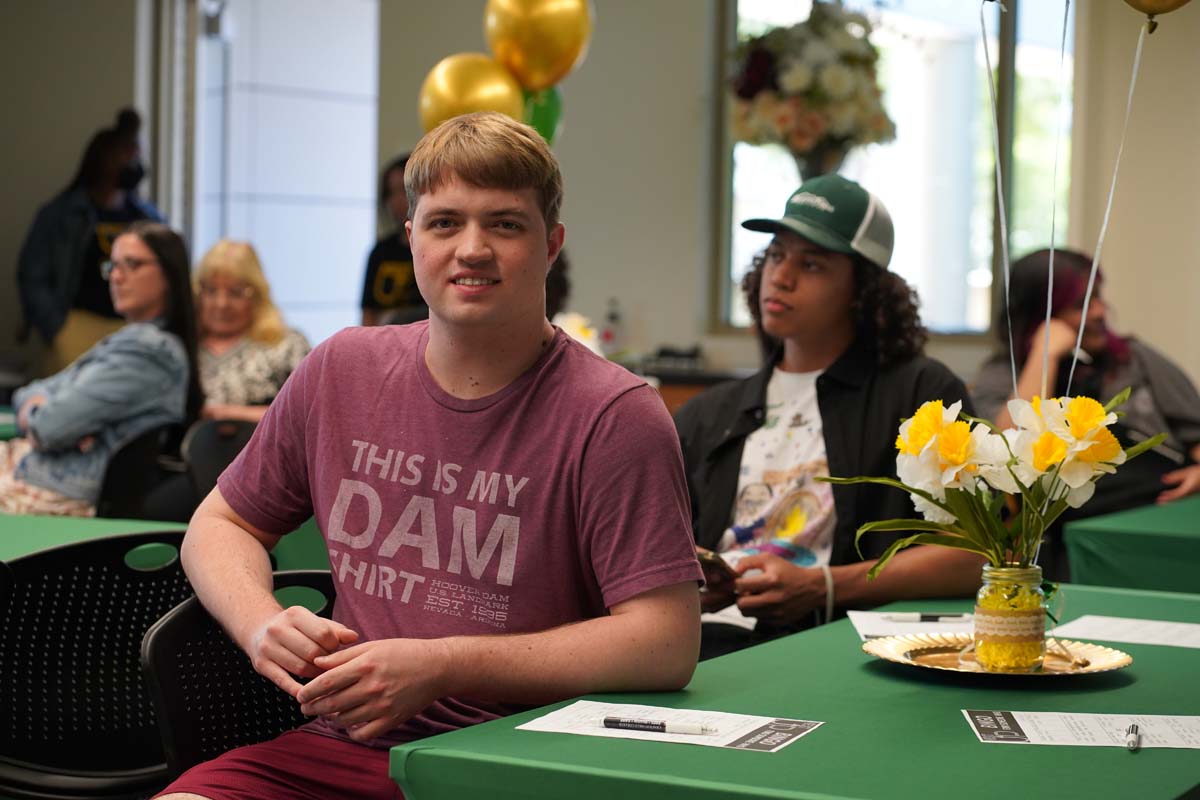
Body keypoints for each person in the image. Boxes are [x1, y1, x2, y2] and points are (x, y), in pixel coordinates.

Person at [157, 111, 702, 799]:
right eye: (445, 223)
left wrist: (444, 666)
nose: (472, 249)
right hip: (337, 750)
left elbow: (666, 641)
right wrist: (259, 623)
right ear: (411, 239)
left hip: (521, 765)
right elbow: (221, 525)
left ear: (551, 244)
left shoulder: (615, 415)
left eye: (505, 224)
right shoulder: (341, 370)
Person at [674, 175, 984, 659]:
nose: (782, 276)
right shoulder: (709, 413)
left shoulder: (921, 396)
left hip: (837, 647)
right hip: (705, 647)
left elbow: (975, 557)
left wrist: (826, 585)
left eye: (812, 264)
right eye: (776, 255)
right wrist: (689, 582)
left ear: (863, 290)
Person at [972, 248, 1200, 575]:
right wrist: (1046, 352)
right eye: (1081, 305)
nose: (1100, 311)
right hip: (1075, 545)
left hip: (1159, 527)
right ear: (1039, 315)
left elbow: (1195, 433)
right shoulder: (1000, 375)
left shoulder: (1134, 359)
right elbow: (1011, 448)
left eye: (1098, 298)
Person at [3, 221, 202, 516]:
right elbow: (30, 392)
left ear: (169, 273)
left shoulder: (148, 350)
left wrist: (46, 413)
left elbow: (49, 428)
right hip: (36, 468)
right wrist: (46, 408)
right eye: (113, 266)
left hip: (55, 487)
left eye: (132, 264)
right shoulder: (130, 340)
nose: (117, 277)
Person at [18, 108, 164, 373]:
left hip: (133, 327)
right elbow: (32, 276)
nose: (132, 162)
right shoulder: (62, 215)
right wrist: (57, 328)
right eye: (124, 154)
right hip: (76, 325)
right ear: (102, 158)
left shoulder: (148, 218)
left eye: (135, 154)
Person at [195, 240, 310, 423]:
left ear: (257, 295)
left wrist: (230, 415)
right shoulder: (182, 345)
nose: (221, 304)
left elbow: (309, 413)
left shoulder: (287, 345)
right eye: (210, 291)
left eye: (235, 293)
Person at [360, 153, 427, 326]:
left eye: (403, 191)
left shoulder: (432, 248)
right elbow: (368, 314)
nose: (397, 201)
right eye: (390, 193)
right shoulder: (381, 251)